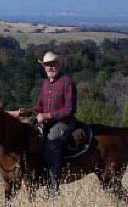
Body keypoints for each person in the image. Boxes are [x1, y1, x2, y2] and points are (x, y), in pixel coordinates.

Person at [30, 51, 76, 197]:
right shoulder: (44, 84)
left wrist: (47, 115)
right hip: (46, 122)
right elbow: (39, 107)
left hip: (64, 123)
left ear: (60, 65)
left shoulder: (67, 82)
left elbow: (69, 110)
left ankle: (53, 187)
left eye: (53, 64)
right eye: (47, 65)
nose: (50, 68)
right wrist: (27, 113)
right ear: (43, 67)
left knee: (51, 143)